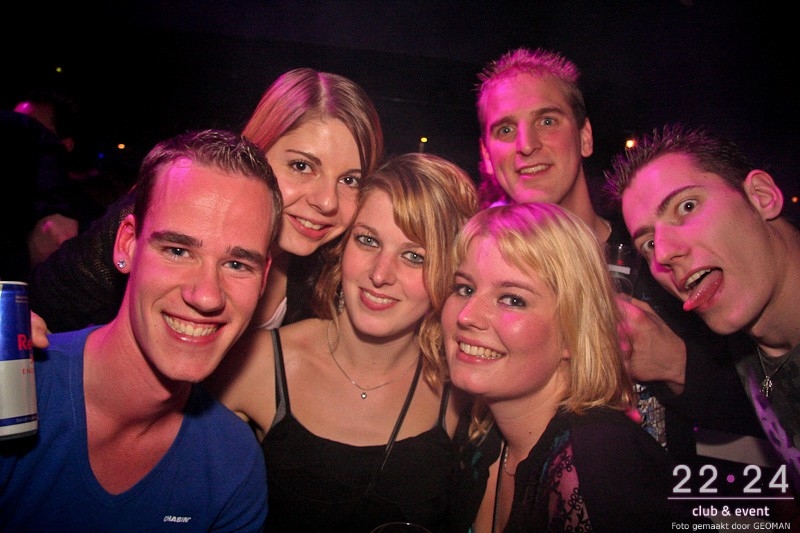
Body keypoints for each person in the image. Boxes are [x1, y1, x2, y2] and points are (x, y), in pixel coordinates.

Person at [473, 47, 769, 480]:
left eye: (547, 121)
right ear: (487, 155)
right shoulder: (481, 277)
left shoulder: (664, 258)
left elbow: (774, 408)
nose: (527, 145)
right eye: (505, 129)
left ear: (585, 137)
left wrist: (675, 363)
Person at [0, 129, 282, 530]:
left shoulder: (233, 465)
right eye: (178, 250)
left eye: (237, 264)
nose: (206, 296)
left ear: (264, 278)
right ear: (127, 245)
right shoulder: (20, 390)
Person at [205, 153, 479, 531]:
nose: (380, 274)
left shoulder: (461, 394)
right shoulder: (257, 363)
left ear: (448, 273)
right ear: (343, 246)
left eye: (414, 256)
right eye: (367, 240)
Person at [27, 67, 384, 332]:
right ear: (258, 151)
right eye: (302, 166)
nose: (327, 202)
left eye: (350, 180)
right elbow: (39, 309)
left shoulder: (328, 270)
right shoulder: (164, 218)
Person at [444, 202, 704, 532]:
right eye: (465, 289)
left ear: (573, 332)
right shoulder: (482, 436)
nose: (466, 315)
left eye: (512, 299)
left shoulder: (600, 465)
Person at [604, 123, 800, 498]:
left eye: (687, 206)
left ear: (761, 196)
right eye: (648, 244)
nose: (664, 253)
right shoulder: (747, 357)